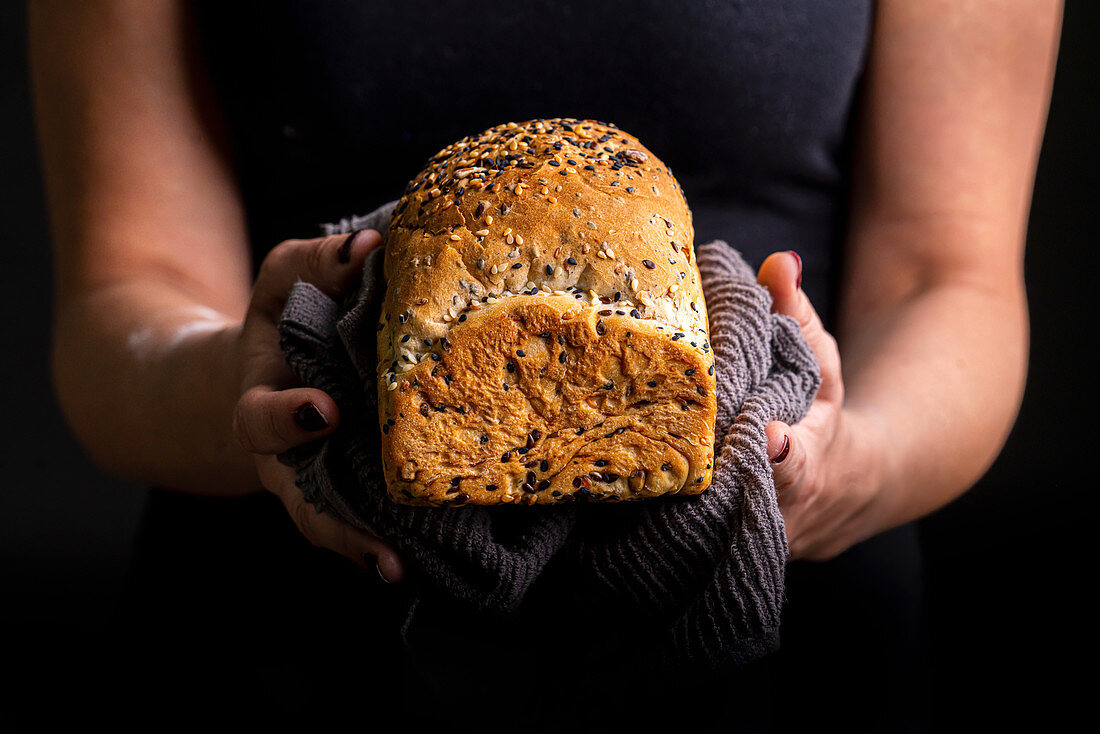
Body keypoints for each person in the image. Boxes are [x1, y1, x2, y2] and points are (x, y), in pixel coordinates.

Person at [29, 0, 1061, 729]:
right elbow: (125, 292)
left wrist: (858, 465)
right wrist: (243, 394)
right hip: (276, 634)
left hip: (790, 634)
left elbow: (946, 274)